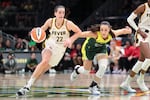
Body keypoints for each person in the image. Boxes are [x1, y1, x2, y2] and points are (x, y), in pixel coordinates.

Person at [16, 5, 82, 96]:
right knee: (45, 61)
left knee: (42, 71)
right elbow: (41, 31)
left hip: (60, 50)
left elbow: (79, 32)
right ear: (55, 13)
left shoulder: (68, 23)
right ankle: (27, 86)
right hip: (50, 44)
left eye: (63, 12)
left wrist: (71, 39)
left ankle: (29, 86)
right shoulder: (50, 21)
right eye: (59, 12)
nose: (61, 14)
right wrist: (34, 33)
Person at [70, 21, 132, 95]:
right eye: (102, 29)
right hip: (89, 49)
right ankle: (77, 70)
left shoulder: (112, 34)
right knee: (86, 71)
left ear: (109, 30)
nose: (103, 32)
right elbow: (80, 34)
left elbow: (123, 31)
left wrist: (129, 30)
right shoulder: (94, 34)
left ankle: (93, 86)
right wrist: (70, 40)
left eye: (106, 30)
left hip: (101, 48)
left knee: (103, 66)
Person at [120, 0, 150, 92]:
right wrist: (138, 30)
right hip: (142, 34)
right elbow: (129, 19)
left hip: (149, 35)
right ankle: (140, 79)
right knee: (149, 58)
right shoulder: (143, 7)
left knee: (141, 61)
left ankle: (126, 83)